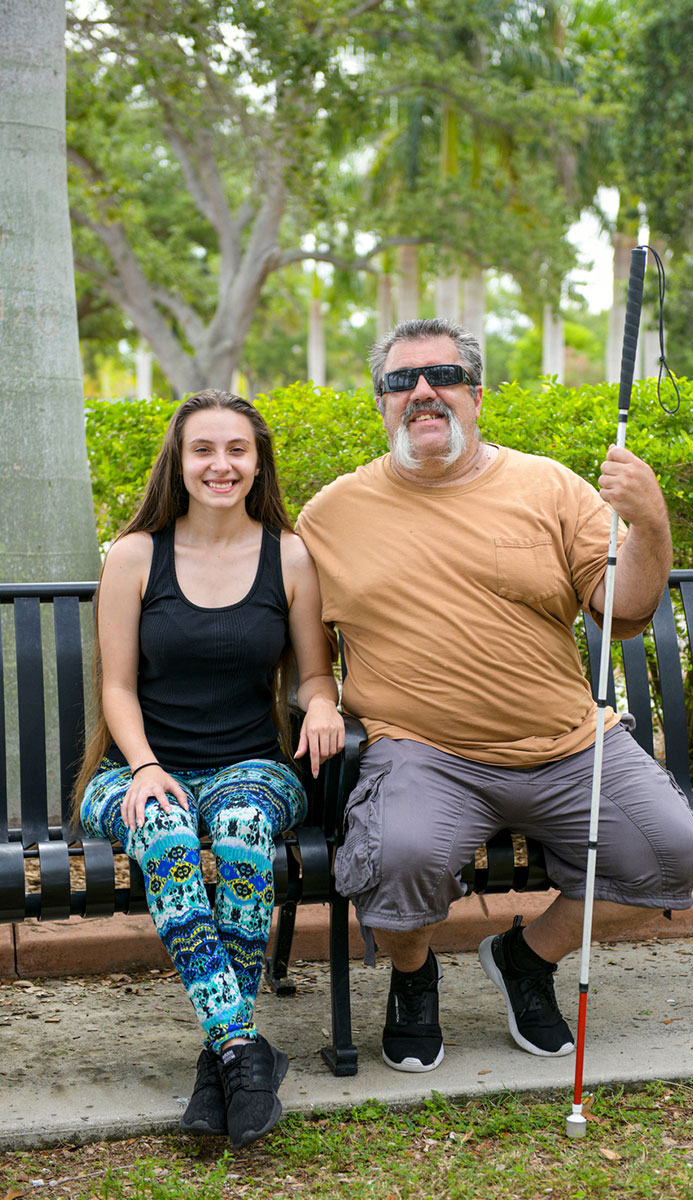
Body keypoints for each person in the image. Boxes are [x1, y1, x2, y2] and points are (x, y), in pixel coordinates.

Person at [295, 317, 693, 1074]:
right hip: (425, 754)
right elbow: (305, 649)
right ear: (380, 403)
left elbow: (627, 610)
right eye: (400, 381)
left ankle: (524, 958)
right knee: (397, 861)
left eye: (443, 377)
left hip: (569, 745)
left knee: (670, 854)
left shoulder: (547, 485)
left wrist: (649, 523)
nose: (422, 393)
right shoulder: (328, 517)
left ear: (476, 395)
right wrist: (319, 693)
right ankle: (415, 978)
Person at [73, 389, 344, 1148]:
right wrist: (146, 766)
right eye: (203, 450)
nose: (220, 465)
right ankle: (239, 1051)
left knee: (239, 822)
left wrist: (323, 705)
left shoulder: (287, 555)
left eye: (236, 450)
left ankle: (222, 1052)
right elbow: (117, 688)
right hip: (139, 766)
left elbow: (314, 676)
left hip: (250, 766)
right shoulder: (135, 556)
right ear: (179, 462)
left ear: (257, 464)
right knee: (160, 823)